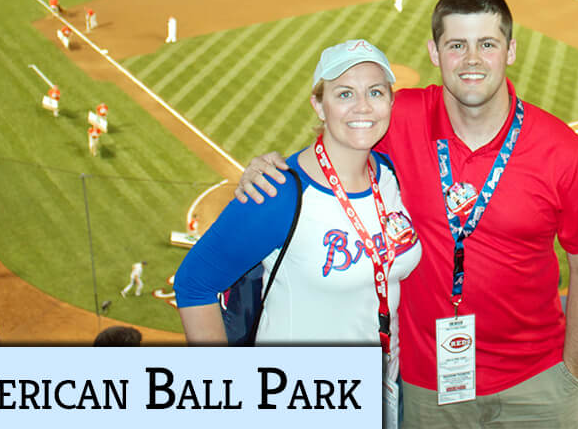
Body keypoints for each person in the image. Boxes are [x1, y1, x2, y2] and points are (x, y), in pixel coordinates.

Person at [236, 0, 578, 428]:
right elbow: (333, 149)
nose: (472, 59)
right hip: (428, 388)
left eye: (487, 44)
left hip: (537, 385)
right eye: (457, 45)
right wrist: (270, 169)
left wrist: (571, 374)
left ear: (510, 51)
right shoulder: (398, 117)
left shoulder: (564, 152)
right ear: (435, 52)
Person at [178, 40, 422, 422]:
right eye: (344, 93)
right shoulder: (278, 192)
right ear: (318, 105)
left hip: (381, 389)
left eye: (375, 92)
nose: (362, 106)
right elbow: (194, 283)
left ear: (390, 101)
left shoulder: (387, 174)